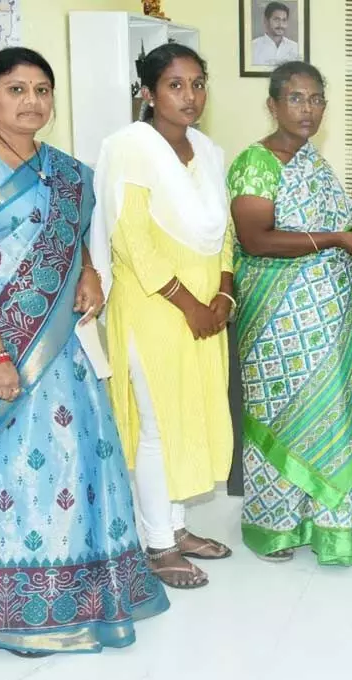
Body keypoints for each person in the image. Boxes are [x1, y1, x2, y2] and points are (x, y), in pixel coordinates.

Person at [0, 47, 168, 655]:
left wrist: (88, 272)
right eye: (16, 90)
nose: (31, 102)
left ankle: (93, 594)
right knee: (16, 467)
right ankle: (21, 609)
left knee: (84, 455)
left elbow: (73, 238)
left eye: (42, 90)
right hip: (2, 341)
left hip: (63, 340)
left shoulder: (65, 170)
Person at [90, 43, 235, 590]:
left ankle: (177, 526)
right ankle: (157, 546)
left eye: (198, 83)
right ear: (147, 94)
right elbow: (132, 240)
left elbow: (221, 233)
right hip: (156, 306)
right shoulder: (129, 147)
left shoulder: (207, 150)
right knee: (157, 426)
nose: (190, 96)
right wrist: (191, 303)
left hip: (204, 309)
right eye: (175, 85)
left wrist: (224, 295)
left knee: (189, 414)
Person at [227, 62, 352, 565]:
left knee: (332, 412)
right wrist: (337, 239)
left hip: (328, 319)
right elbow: (255, 239)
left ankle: (332, 529)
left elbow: (332, 224)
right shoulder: (257, 162)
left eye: (316, 99)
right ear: (272, 105)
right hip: (280, 323)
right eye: (296, 98)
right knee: (282, 416)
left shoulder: (312, 160)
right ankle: (276, 528)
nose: (308, 108)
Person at [251, 2, 301, 67]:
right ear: (266, 21)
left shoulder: (295, 47)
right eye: (276, 20)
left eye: (284, 20)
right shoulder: (253, 47)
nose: (281, 24)